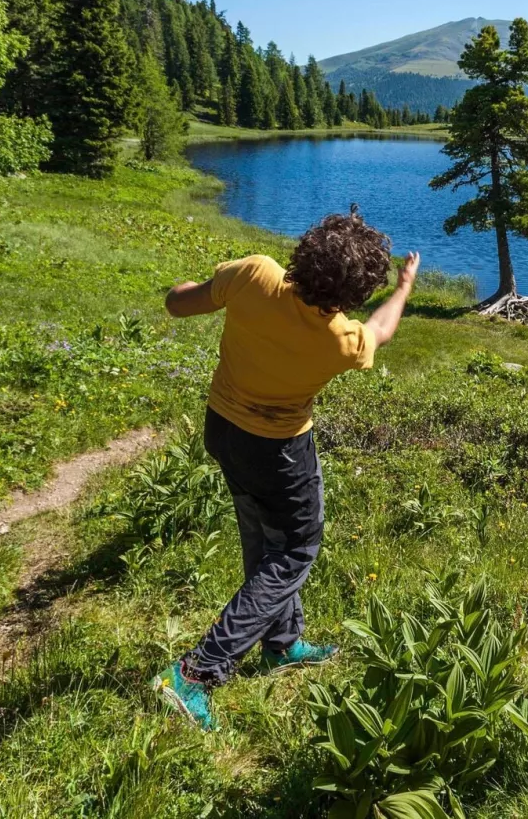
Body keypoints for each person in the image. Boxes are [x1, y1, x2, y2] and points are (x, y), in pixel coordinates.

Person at [153, 208, 420, 730]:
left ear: (306, 250)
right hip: (278, 451)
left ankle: (281, 643)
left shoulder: (255, 272)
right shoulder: (342, 339)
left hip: (223, 430)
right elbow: (382, 329)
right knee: (296, 548)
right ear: (353, 293)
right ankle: (195, 672)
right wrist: (406, 285)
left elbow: (179, 301)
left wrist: (193, 288)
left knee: (262, 536)